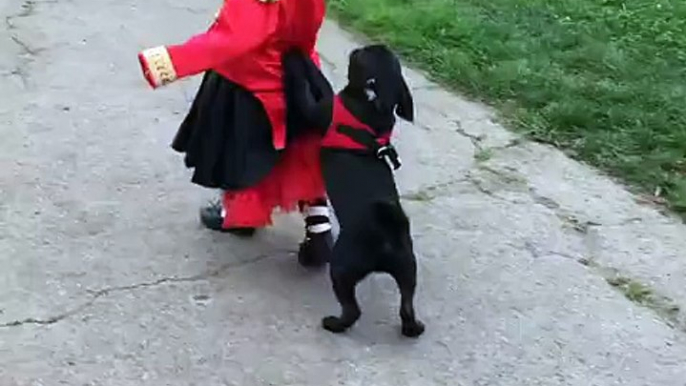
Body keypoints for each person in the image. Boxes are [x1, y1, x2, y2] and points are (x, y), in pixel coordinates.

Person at [137, 0, 333, 267]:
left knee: (242, 154)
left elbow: (235, 37)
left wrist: (170, 61)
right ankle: (318, 224)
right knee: (299, 151)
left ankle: (239, 217)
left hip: (252, 81)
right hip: (297, 74)